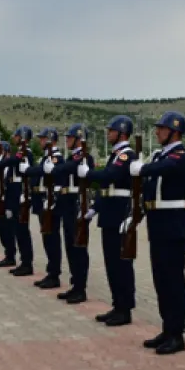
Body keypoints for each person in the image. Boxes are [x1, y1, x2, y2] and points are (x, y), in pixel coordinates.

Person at [129, 112, 185, 354]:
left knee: (173, 280)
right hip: (157, 222)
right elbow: (148, 189)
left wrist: (143, 168)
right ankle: (167, 328)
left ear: (174, 132)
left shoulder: (180, 156)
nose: (157, 132)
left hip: (173, 224)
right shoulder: (159, 155)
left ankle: (177, 334)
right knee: (161, 280)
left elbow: (165, 168)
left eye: (161, 129)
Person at [76, 115, 137, 326]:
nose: (108, 133)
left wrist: (89, 174)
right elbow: (107, 188)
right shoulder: (116, 154)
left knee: (121, 264)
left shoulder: (126, 155)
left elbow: (109, 176)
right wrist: (95, 208)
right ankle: (117, 305)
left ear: (121, 133)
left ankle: (125, 308)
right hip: (109, 213)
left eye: (111, 130)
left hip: (119, 214)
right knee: (111, 263)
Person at [47, 123, 93, 304]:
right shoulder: (72, 157)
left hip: (77, 206)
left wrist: (54, 168)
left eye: (70, 137)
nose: (66, 140)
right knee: (70, 247)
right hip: (67, 206)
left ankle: (81, 288)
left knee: (78, 248)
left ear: (78, 139)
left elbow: (66, 169)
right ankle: (75, 285)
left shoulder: (83, 158)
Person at [0, 127, 36, 276]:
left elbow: (17, 165)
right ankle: (23, 261)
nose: (13, 138)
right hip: (14, 196)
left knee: (22, 231)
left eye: (16, 136)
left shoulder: (26, 153)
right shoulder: (20, 152)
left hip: (21, 195)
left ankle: (27, 263)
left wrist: (2, 162)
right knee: (17, 230)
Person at [31, 128, 64, 289]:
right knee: (47, 238)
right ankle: (51, 272)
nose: (40, 141)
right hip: (43, 203)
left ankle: (54, 274)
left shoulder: (56, 158)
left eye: (43, 139)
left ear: (51, 140)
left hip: (51, 204)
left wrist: (52, 201)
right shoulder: (46, 157)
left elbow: (57, 180)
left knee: (52, 240)